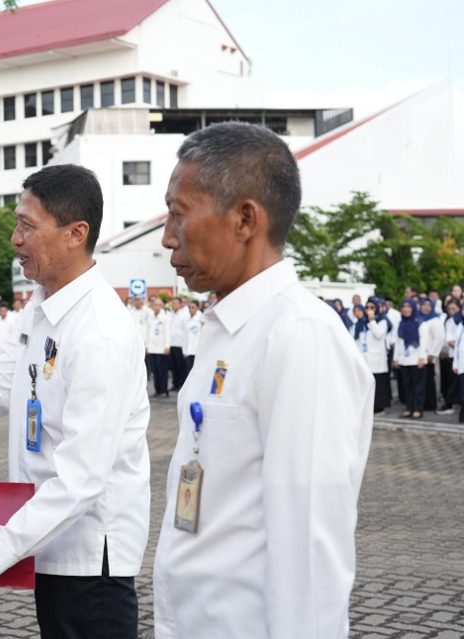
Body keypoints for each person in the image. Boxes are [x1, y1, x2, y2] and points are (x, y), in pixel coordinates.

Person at [0, 164, 150, 639]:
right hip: (46, 540)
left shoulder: (98, 331)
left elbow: (80, 481)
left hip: (87, 558)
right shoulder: (43, 304)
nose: (15, 239)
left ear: (76, 233)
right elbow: (0, 385)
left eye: (27, 226)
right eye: (17, 223)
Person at [153, 122, 373, 638]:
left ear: (245, 219)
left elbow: (310, 551)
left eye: (179, 214)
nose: (167, 237)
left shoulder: (298, 336)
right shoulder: (227, 330)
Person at [394, 299, 426, 419]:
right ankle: (409, 408)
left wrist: (422, 358)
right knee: (407, 386)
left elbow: (423, 342)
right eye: (404, 307)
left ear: (413, 308)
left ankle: (418, 409)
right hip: (404, 360)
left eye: (408, 307)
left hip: (416, 359)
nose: (406, 309)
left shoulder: (420, 323)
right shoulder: (400, 324)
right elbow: (398, 343)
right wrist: (396, 358)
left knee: (418, 386)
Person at [362, 298, 393, 414]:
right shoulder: (364, 322)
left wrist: (372, 320)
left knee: (379, 384)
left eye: (372, 308)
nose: (369, 310)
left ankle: (379, 408)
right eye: (367, 308)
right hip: (367, 357)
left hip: (378, 359)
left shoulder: (383, 321)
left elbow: (378, 334)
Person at [418, 298, 443, 411]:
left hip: (429, 356)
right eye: (424, 305)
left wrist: (432, 354)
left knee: (428, 381)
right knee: (421, 381)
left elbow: (439, 338)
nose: (426, 307)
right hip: (419, 356)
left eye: (429, 305)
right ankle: (421, 403)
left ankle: (430, 404)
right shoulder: (418, 318)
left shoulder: (435, 320)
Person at [440, 297, 462, 413]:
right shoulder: (448, 321)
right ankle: (450, 403)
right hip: (451, 355)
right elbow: (448, 338)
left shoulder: (459, 321)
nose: (451, 311)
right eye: (449, 309)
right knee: (451, 381)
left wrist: (456, 343)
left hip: (459, 355)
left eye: (454, 309)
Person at [146, 296, 171, 397]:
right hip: (152, 348)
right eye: (155, 305)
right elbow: (147, 333)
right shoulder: (150, 317)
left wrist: (167, 346)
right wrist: (147, 346)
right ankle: (157, 390)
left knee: (162, 371)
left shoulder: (165, 318)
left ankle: (164, 390)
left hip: (162, 349)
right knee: (155, 371)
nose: (156, 307)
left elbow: (168, 333)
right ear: (152, 306)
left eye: (158, 305)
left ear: (161, 306)